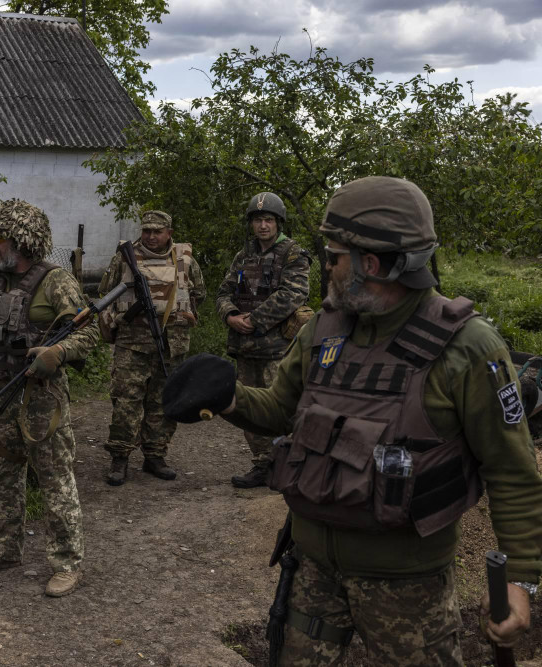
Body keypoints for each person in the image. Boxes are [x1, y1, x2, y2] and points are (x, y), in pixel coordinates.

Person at [171, 177, 542, 664]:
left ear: (373, 263)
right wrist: (226, 398)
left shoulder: (468, 348)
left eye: (334, 255)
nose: (326, 266)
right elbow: (281, 410)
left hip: (408, 585)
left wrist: (520, 581)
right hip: (311, 571)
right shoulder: (324, 329)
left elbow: (512, 471)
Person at [0, 199, 99, 597]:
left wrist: (57, 352)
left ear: (20, 240)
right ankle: (5, 549)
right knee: (4, 477)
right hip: (1, 395)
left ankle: (67, 564)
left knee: (55, 480)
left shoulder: (56, 282)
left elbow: (89, 332)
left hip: (42, 400)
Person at [98, 210, 205, 485]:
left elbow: (198, 294)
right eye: (147, 231)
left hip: (171, 344)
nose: (151, 236)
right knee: (126, 401)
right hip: (132, 343)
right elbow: (106, 293)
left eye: (158, 231)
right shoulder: (124, 257)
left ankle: (155, 455)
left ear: (169, 233)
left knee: (163, 401)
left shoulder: (185, 260)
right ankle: (120, 457)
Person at [215, 192, 310, 488]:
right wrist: (231, 315)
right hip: (246, 348)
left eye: (268, 219)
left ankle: (291, 465)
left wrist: (254, 320)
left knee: (283, 408)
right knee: (249, 410)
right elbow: (223, 292)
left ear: (278, 222)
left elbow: (294, 294)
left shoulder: (293, 253)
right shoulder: (243, 256)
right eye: (257, 220)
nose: (263, 226)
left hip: (279, 349)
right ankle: (262, 465)